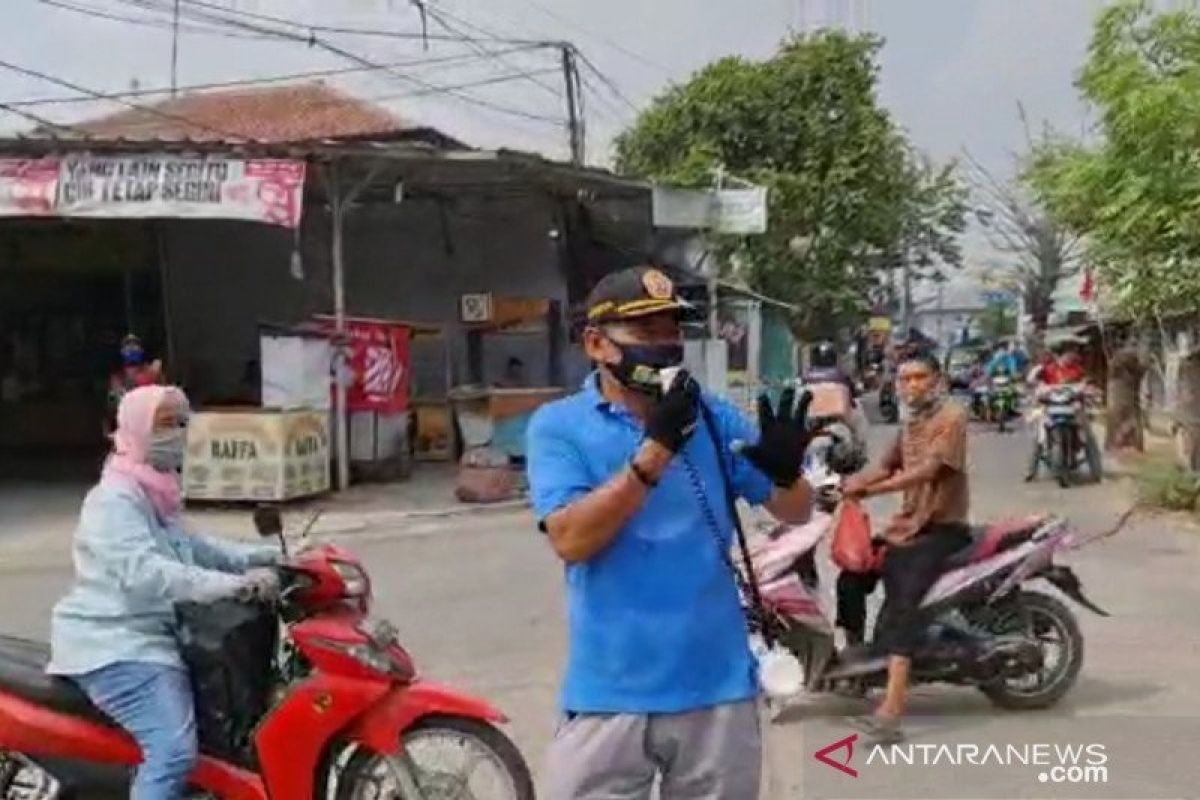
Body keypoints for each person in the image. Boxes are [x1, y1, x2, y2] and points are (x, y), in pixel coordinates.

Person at [527, 266, 814, 800]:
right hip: (610, 690)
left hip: (717, 687)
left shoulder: (713, 417)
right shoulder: (558, 426)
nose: (664, 346)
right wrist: (656, 449)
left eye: (671, 332)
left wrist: (785, 472)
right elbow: (571, 540)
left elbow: (796, 511)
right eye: (646, 332)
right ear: (596, 343)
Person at [47, 385, 282, 800]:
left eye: (182, 422)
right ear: (137, 429)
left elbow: (197, 548)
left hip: (156, 636)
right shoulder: (114, 500)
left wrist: (274, 559)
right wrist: (231, 586)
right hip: (116, 644)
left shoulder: (154, 489)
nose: (177, 433)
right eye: (165, 424)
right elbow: (147, 574)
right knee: (173, 751)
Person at [837, 350, 971, 744]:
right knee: (852, 574)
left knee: (902, 607)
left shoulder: (952, 419)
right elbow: (887, 464)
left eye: (919, 378)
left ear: (937, 380)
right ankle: (859, 664)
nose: (912, 385)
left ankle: (892, 711)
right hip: (907, 528)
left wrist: (871, 490)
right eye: (905, 379)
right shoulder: (911, 424)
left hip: (941, 529)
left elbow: (928, 471)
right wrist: (848, 484)